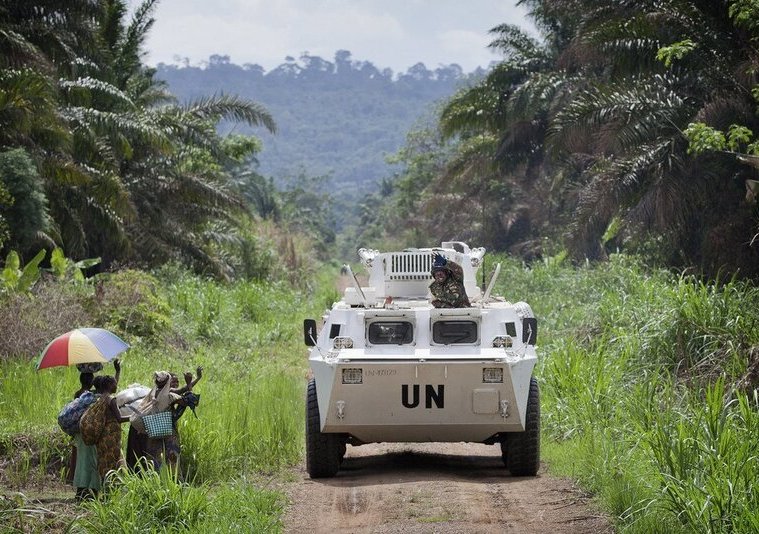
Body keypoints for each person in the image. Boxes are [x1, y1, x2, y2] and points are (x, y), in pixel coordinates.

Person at [126, 367, 202, 473]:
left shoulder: (152, 395)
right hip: (169, 432)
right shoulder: (169, 396)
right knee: (172, 458)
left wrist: (195, 380)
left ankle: (154, 480)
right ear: (168, 382)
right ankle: (174, 480)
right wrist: (189, 383)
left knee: (154, 459)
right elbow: (191, 400)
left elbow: (180, 390)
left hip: (153, 431)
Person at [90, 375, 130, 483]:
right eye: (114, 384)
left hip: (102, 436)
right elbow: (119, 418)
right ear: (109, 385)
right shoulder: (111, 400)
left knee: (104, 462)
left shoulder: (101, 398)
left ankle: (104, 487)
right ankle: (111, 489)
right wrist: (134, 417)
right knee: (113, 462)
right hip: (111, 437)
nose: (116, 386)